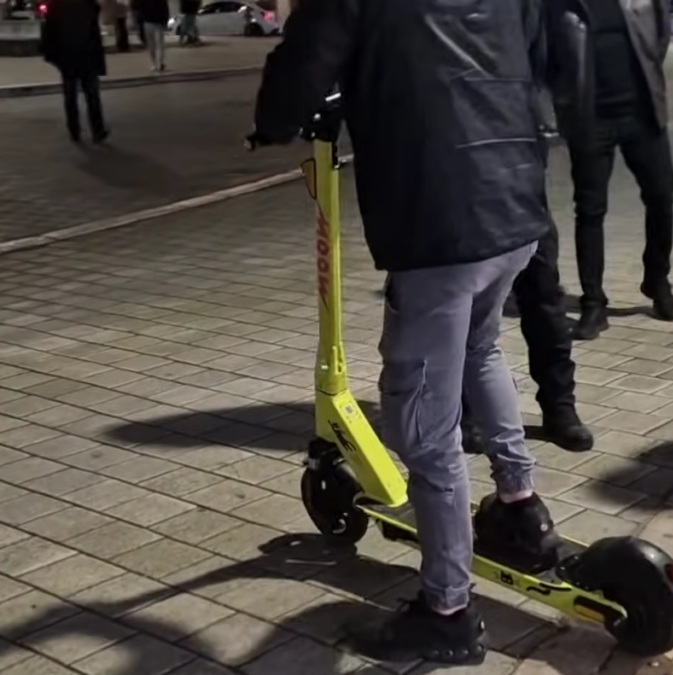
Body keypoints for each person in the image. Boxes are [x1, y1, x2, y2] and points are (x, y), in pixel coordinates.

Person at [248, 0, 590, 663]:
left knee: (423, 430)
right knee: (480, 348)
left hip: (440, 219)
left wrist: (273, 124)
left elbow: (303, 66)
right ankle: (520, 508)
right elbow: (560, 54)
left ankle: (447, 610)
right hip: (515, 201)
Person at [565, 0, 673, 340]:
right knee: (590, 210)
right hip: (590, 119)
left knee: (662, 196)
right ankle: (593, 302)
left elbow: (659, 40)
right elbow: (545, 52)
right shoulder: (559, 4)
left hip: (642, 115)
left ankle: (657, 280)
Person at [463, 227, 595, 454]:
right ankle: (470, 408)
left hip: (526, 216)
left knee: (547, 311)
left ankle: (559, 407)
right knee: (469, 312)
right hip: (465, 218)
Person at [39, 0, 109, 144]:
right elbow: (94, 30)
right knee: (92, 95)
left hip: (67, 56)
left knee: (71, 95)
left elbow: (49, 31)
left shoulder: (56, 5)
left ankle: (74, 129)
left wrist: (52, 56)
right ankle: (97, 129)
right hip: (86, 54)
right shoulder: (87, 4)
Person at [131, 0, 168, 72]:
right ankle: (160, 62)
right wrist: (165, 21)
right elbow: (165, 8)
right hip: (158, 22)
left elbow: (137, 6)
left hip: (148, 21)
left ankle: (155, 63)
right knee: (159, 43)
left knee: (151, 44)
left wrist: (139, 20)